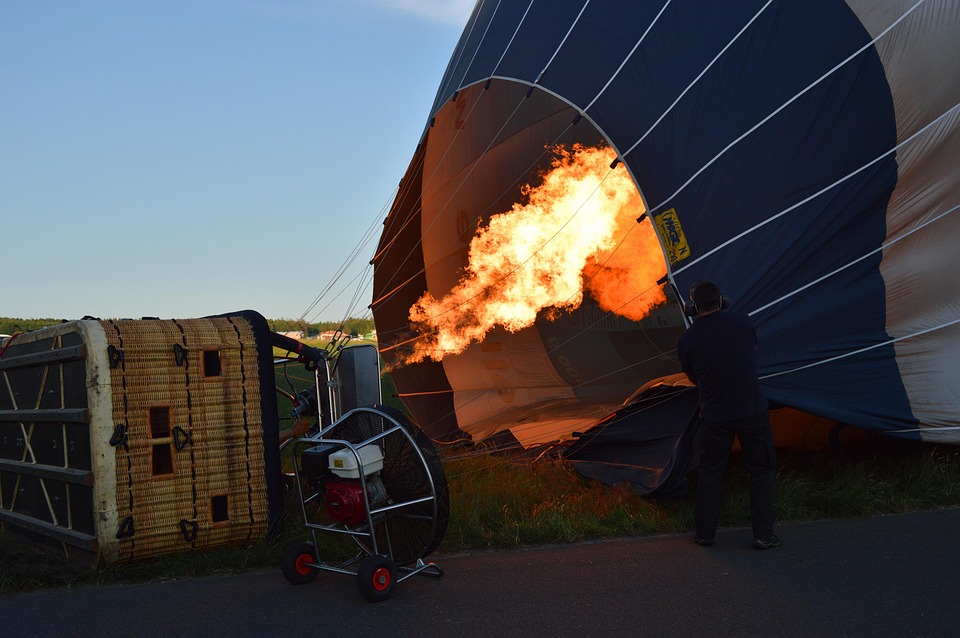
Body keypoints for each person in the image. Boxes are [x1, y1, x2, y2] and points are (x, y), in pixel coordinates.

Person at [676, 280, 778, 550]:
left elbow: (693, 377)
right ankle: (763, 535)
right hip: (752, 410)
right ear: (722, 301)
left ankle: (705, 534)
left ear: (692, 307)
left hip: (715, 415)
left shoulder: (686, 340)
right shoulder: (743, 323)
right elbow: (748, 353)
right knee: (761, 471)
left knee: (711, 472)